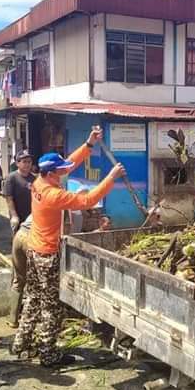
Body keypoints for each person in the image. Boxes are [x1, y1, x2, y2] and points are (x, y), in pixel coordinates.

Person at [11, 127, 126, 366]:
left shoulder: (39, 182)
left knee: (32, 297)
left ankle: (21, 342)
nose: (65, 171)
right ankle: (48, 354)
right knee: (51, 306)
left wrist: (89, 144)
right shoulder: (54, 195)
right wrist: (111, 178)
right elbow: (88, 200)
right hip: (47, 254)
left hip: (34, 248)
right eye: (60, 170)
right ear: (53, 173)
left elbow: (69, 164)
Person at [3, 150, 36, 234]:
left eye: (29, 162)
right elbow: (9, 198)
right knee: (18, 238)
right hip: (18, 214)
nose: (27, 164)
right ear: (17, 164)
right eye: (24, 162)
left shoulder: (34, 178)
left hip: (32, 215)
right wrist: (14, 215)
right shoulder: (11, 178)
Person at [7, 214, 30, 329]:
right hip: (31, 238)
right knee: (35, 282)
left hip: (19, 235)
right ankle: (30, 322)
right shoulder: (72, 214)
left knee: (18, 280)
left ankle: (13, 320)